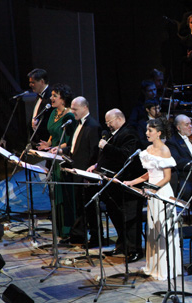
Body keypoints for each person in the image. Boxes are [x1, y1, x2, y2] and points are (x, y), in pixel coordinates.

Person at [124, 118, 180, 280]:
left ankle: (166, 268)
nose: (147, 133)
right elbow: (149, 173)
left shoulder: (165, 150)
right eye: (147, 130)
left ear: (159, 133)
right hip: (152, 193)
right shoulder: (148, 149)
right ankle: (154, 266)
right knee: (153, 228)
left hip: (162, 193)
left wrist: (152, 189)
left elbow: (167, 177)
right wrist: (132, 182)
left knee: (162, 228)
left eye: (150, 130)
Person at [88, 109, 144, 262]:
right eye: (106, 122)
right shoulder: (112, 134)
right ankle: (122, 245)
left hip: (128, 183)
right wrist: (97, 165)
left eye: (110, 121)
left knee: (130, 218)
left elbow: (125, 156)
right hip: (112, 184)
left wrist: (106, 146)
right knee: (116, 215)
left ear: (119, 118)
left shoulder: (129, 133)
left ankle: (134, 250)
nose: (107, 125)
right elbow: (107, 156)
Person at [38, 83, 76, 238]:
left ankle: (68, 229)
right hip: (52, 157)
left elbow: (71, 140)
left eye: (55, 96)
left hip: (63, 158)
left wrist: (57, 147)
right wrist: (48, 143)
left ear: (63, 99)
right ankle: (59, 229)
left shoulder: (69, 116)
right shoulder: (54, 112)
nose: (51, 98)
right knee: (54, 193)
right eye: (51, 95)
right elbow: (53, 133)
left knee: (64, 194)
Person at [64, 96, 102, 247]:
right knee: (80, 206)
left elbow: (94, 153)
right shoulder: (78, 124)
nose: (72, 112)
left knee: (90, 208)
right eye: (72, 108)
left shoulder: (93, 126)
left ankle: (96, 237)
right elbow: (76, 147)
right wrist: (62, 151)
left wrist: (89, 176)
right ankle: (79, 235)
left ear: (85, 108)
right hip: (77, 172)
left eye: (75, 109)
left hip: (86, 174)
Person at [166, 114, 192, 215]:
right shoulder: (172, 142)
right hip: (186, 175)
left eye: (190, 124)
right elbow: (178, 162)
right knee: (187, 190)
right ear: (178, 127)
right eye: (187, 125)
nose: (190, 126)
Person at [27, 68, 52, 143]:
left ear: (42, 81)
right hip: (36, 140)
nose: (30, 85)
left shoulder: (51, 97)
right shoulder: (38, 96)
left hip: (45, 141)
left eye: (33, 82)